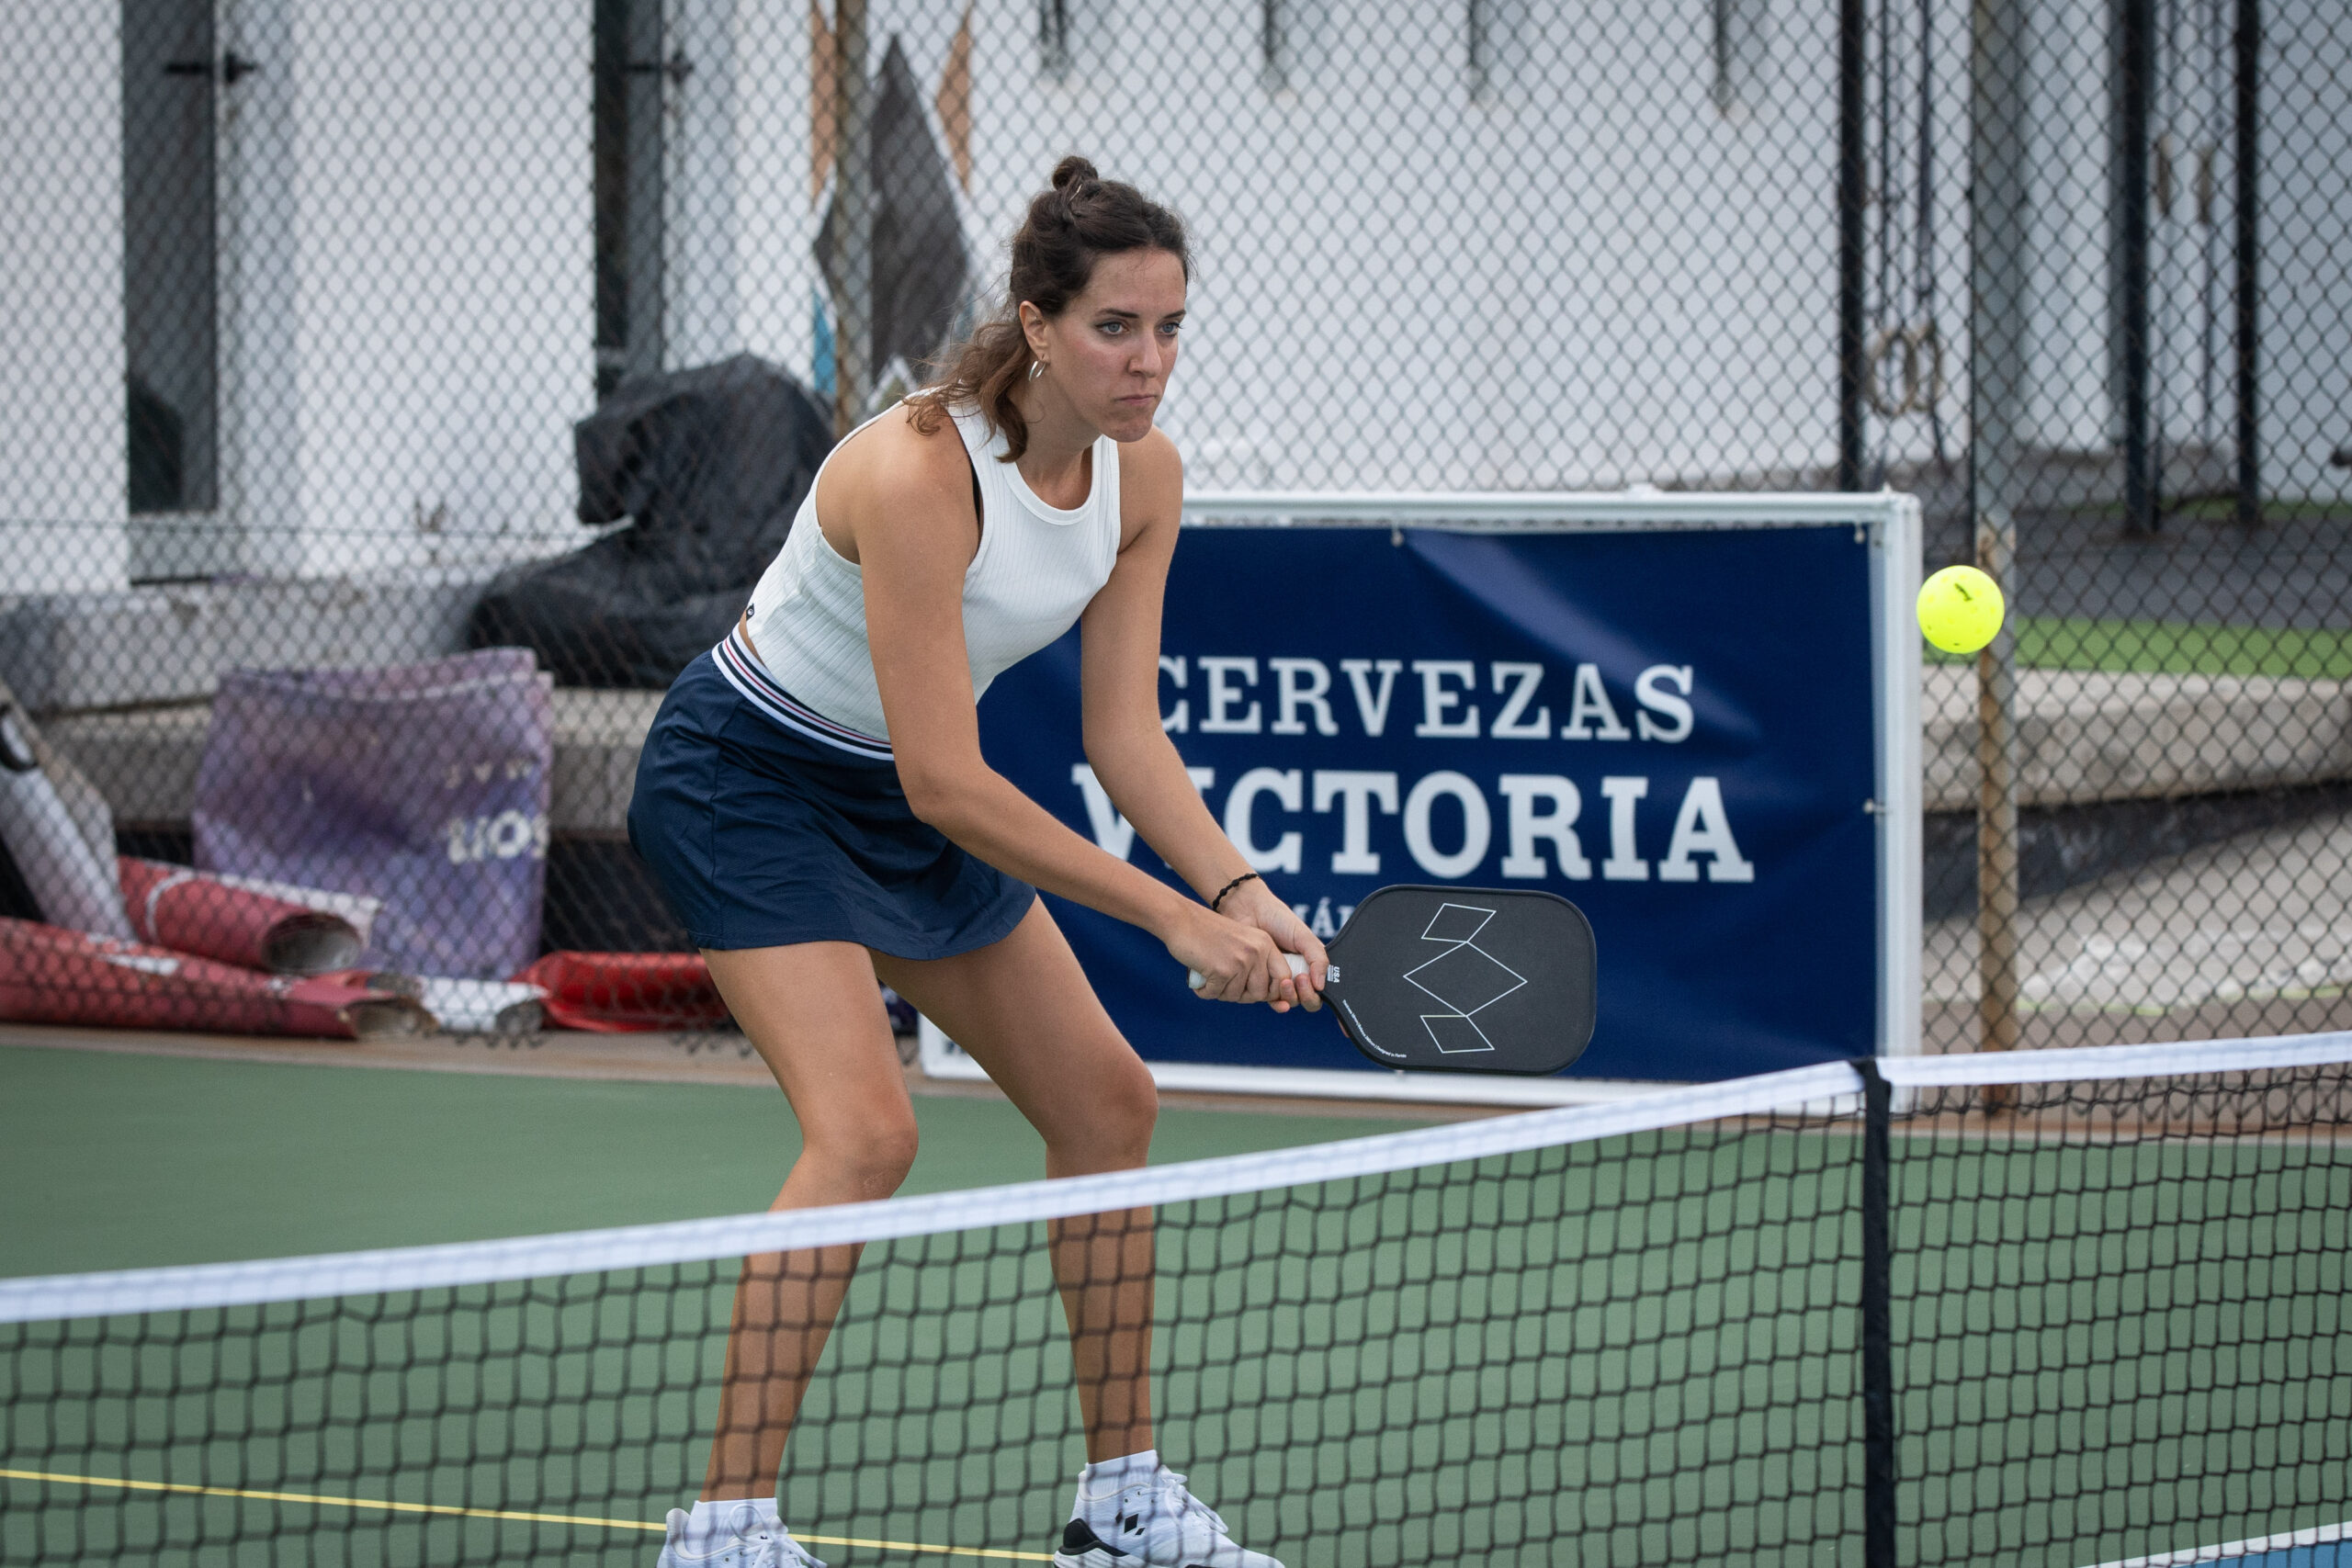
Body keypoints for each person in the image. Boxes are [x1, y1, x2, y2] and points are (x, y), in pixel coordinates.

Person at [628, 156, 1324, 1568]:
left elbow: (1123, 736)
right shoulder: (919, 470)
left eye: (1170, 327)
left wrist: (1241, 891)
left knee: (1108, 1104)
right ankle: (722, 1531)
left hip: (902, 794)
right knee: (867, 1132)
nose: (1149, 361)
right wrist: (1173, 922)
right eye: (1116, 328)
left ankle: (1124, 1504)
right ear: (1039, 325)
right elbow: (949, 783)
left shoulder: (1144, 476)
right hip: (749, 780)